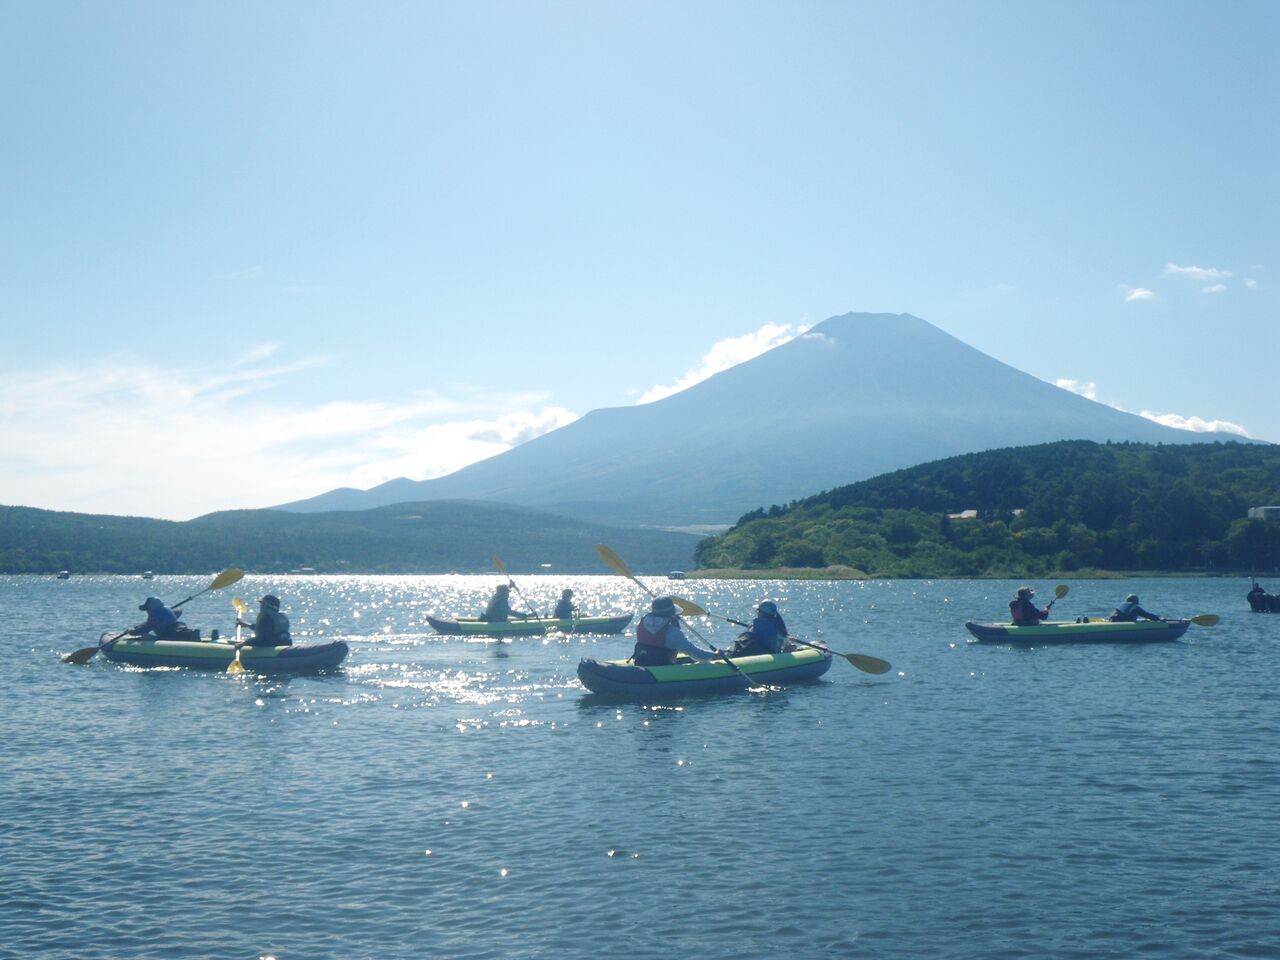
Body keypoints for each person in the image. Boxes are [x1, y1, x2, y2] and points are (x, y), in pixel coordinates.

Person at [632, 596, 722, 666]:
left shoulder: (641, 624)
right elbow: (695, 654)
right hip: (663, 668)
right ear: (672, 613)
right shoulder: (672, 633)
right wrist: (715, 655)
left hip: (642, 663)